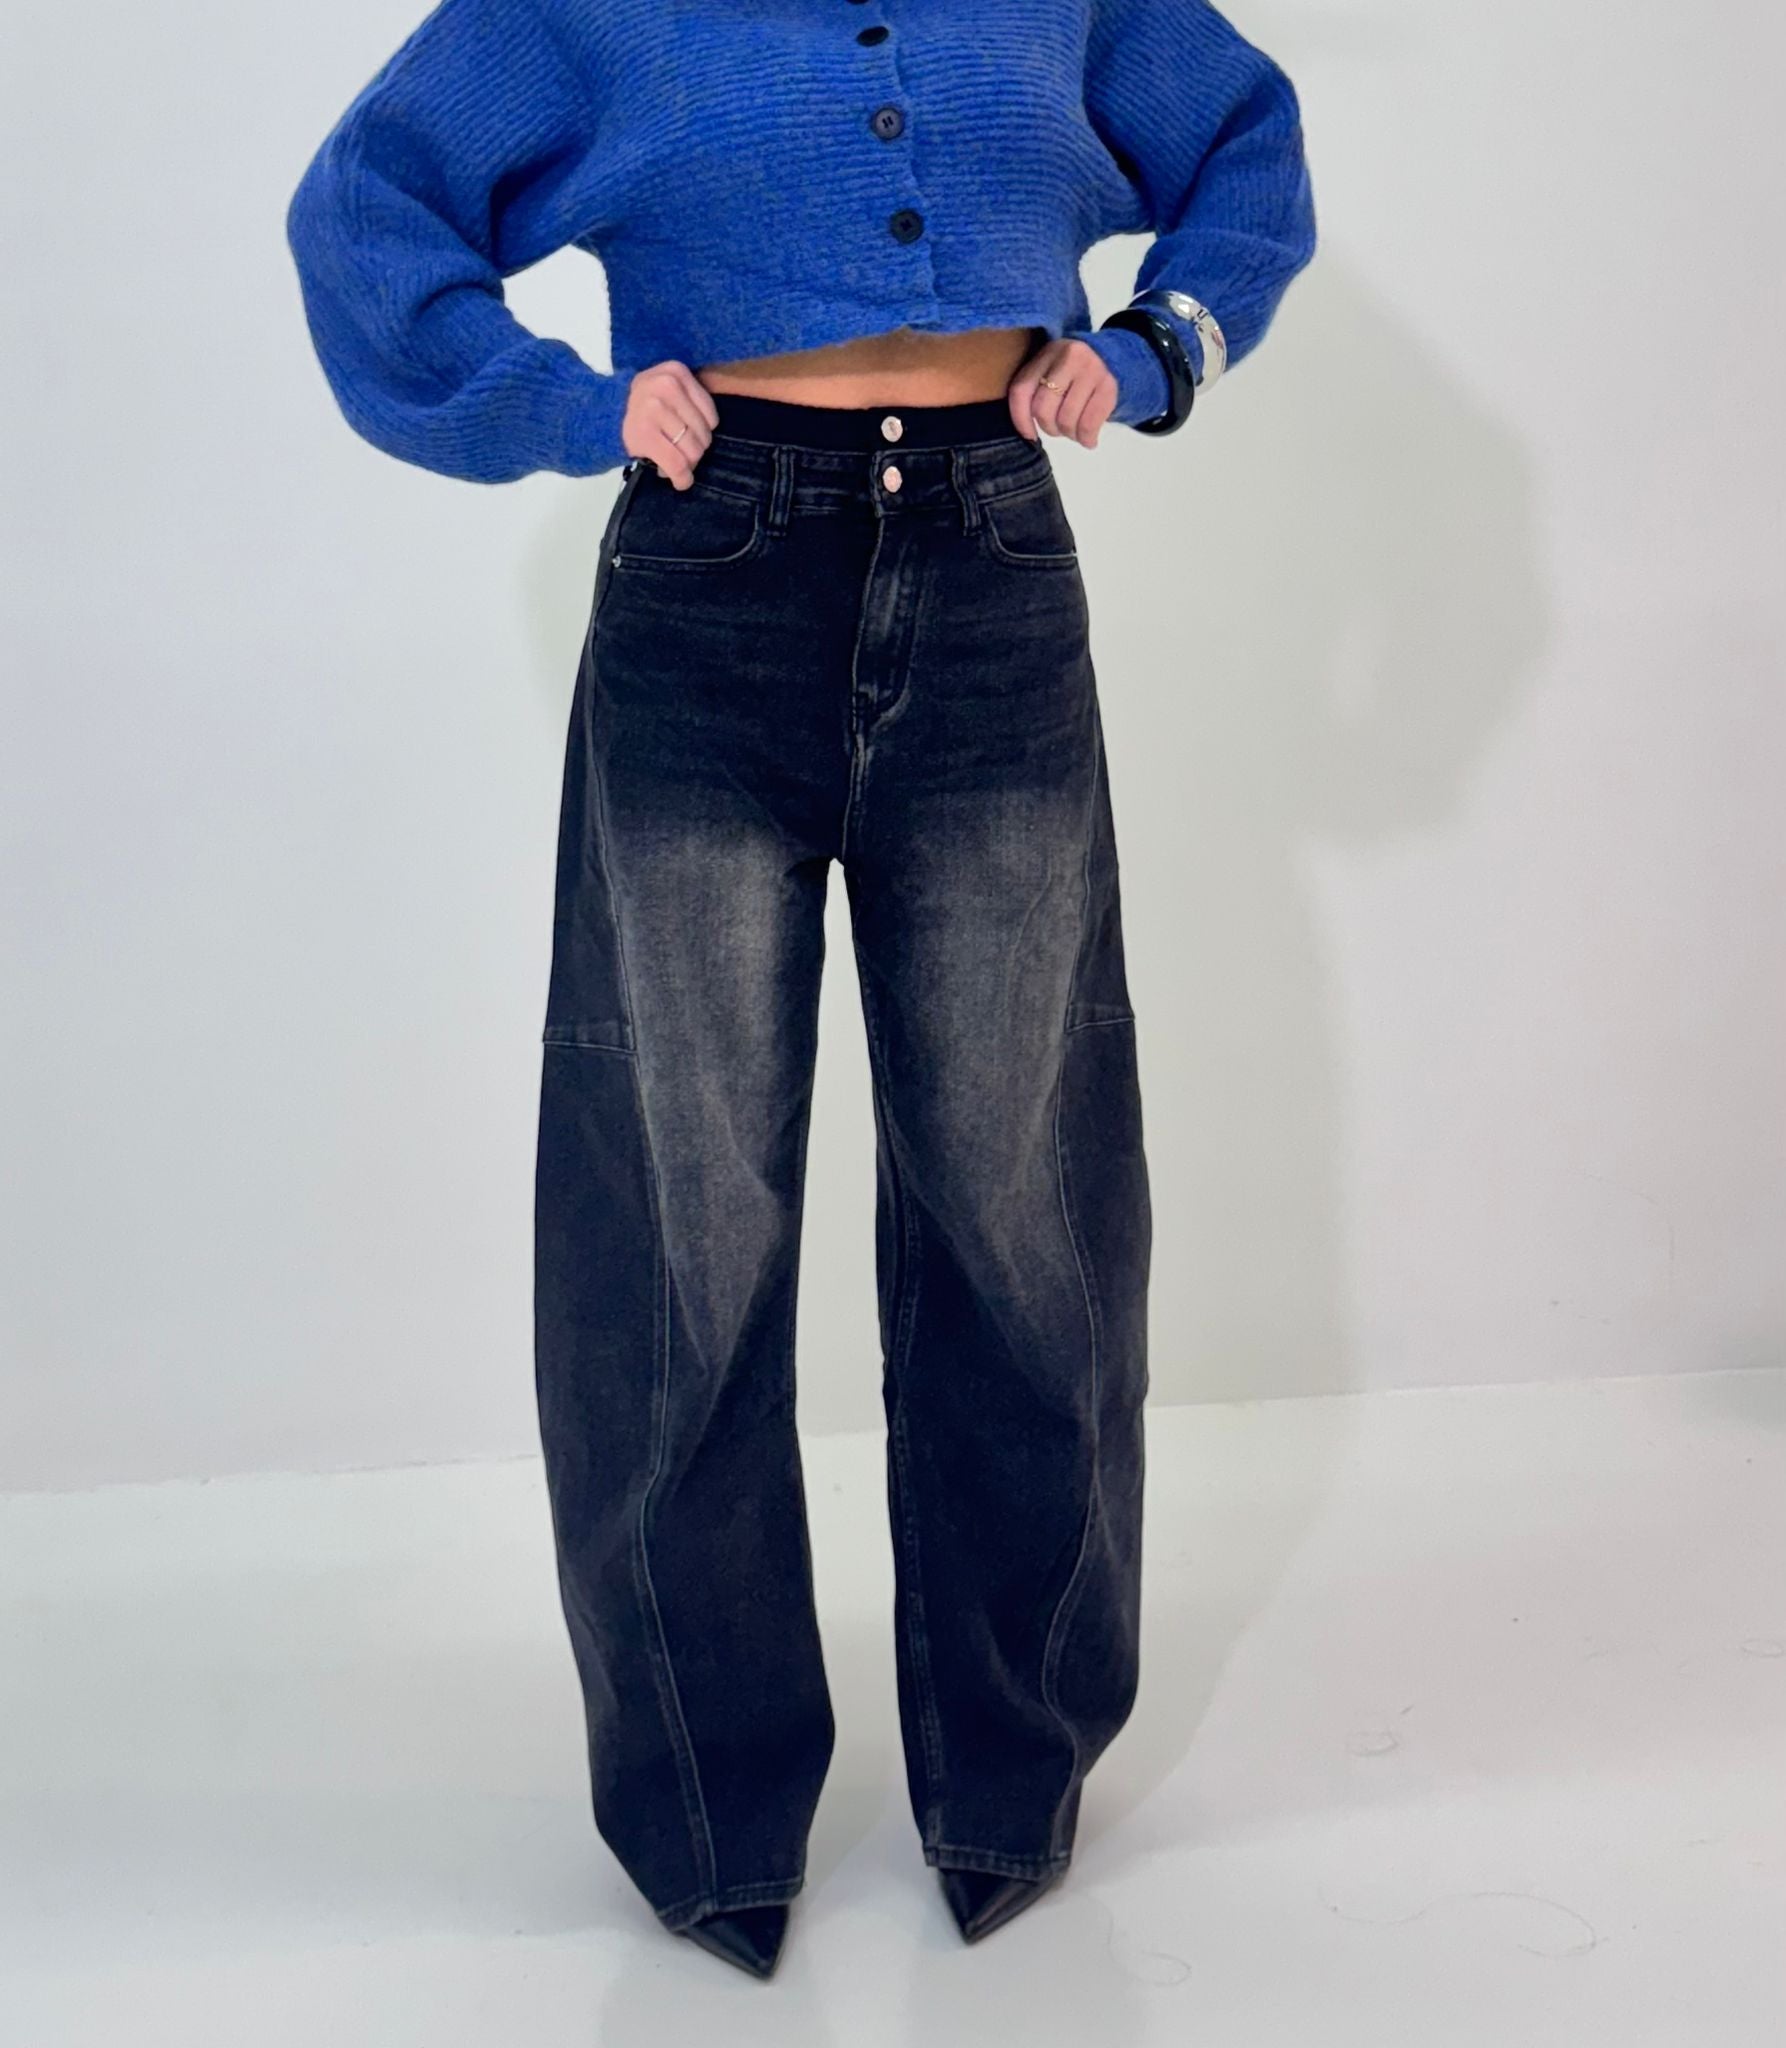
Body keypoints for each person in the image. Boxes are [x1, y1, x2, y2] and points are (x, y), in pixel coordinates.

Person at [285, 0, 1315, 1981]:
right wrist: (553, 402)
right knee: (681, 1226)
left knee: (1022, 1213)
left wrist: (1152, 349)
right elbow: (371, 205)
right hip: (712, 577)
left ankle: (1007, 1781)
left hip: (995, 565)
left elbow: (1241, 148)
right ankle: (707, 1807)